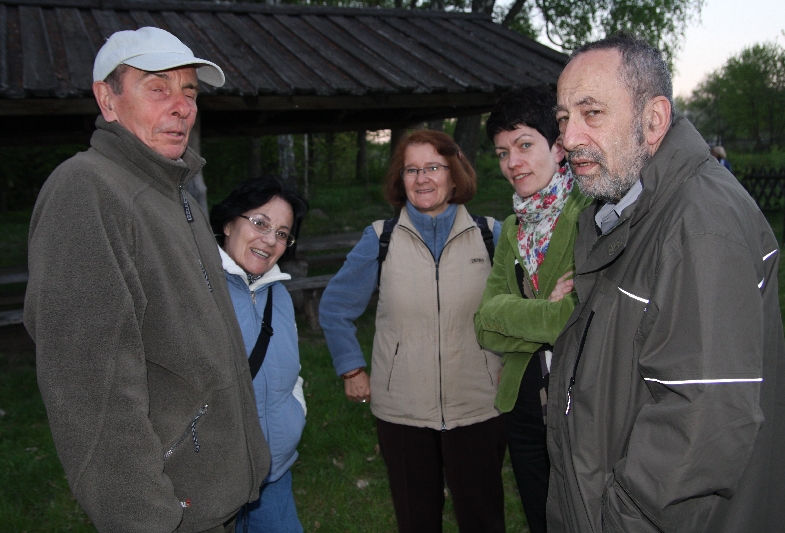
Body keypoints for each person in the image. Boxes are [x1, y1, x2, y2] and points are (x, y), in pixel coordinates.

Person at [548, 33, 785, 532]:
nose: (568, 138)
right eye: (562, 118)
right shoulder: (630, 208)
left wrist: (621, 521)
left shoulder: (699, 224)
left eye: (591, 113)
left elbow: (705, 423)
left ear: (654, 119)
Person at [24, 27, 271, 533]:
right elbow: (89, 387)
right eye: (158, 88)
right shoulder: (87, 190)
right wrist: (143, 517)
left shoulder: (174, 192)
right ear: (107, 99)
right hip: (166, 512)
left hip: (211, 497)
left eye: (190, 92)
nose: (182, 108)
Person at [318, 130, 506, 533]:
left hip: (478, 405)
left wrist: (513, 363)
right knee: (416, 522)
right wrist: (351, 368)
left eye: (433, 167)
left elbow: (522, 307)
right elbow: (335, 307)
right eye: (411, 170)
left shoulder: (492, 234)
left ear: (454, 175)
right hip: (401, 411)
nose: (422, 178)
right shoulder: (380, 238)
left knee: (484, 520)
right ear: (400, 179)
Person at [474, 87, 592, 533]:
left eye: (525, 145)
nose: (512, 163)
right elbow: (484, 323)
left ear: (559, 148)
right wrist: (545, 312)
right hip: (522, 404)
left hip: (581, 401)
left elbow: (575, 317)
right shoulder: (512, 227)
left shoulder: (590, 212)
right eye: (503, 153)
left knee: (586, 517)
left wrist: (515, 314)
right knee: (540, 518)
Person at [210, 177, 308, 533]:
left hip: (275, 476)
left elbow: (292, 370)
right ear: (228, 223)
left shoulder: (278, 293)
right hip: (213, 482)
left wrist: (296, 412)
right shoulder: (195, 288)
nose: (269, 240)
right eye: (260, 223)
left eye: (282, 233)